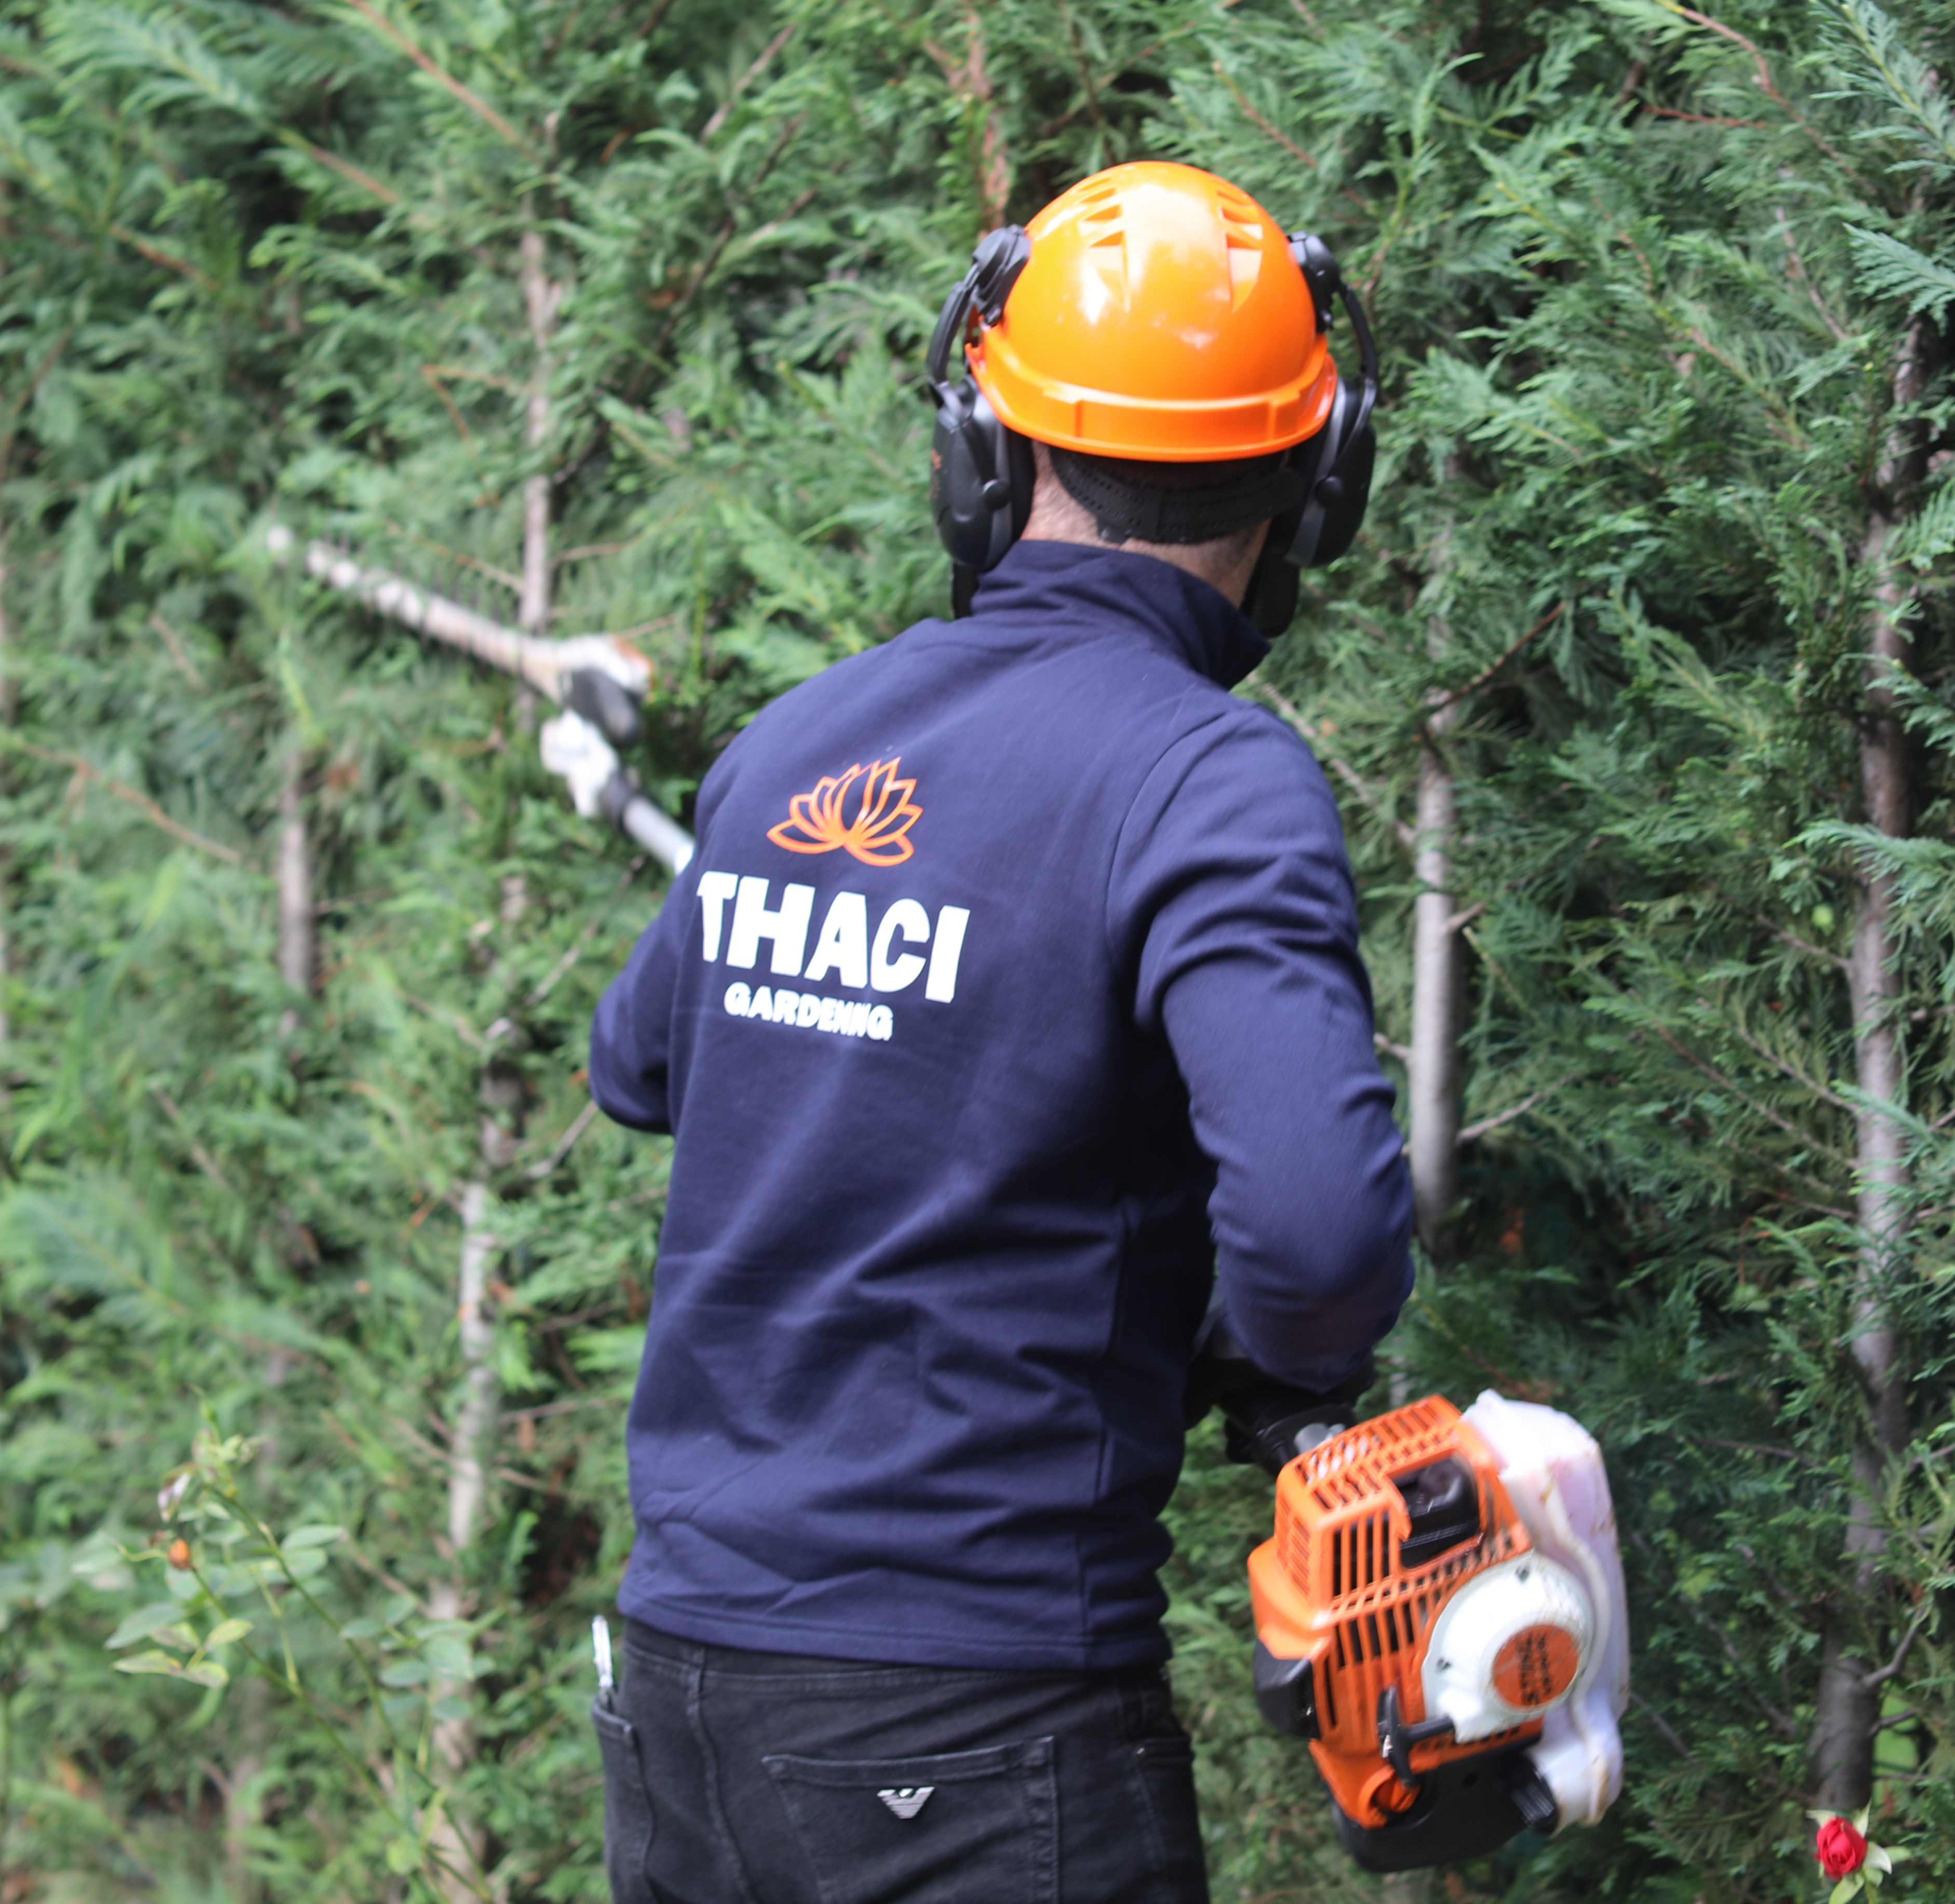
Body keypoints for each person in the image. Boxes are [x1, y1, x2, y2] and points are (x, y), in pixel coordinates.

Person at [583, 160, 1418, 1904]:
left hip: (685, 1706)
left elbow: (641, 1064)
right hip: (973, 1734)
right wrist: (1262, 1362)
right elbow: (1326, 1238)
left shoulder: (803, 738)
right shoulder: (1208, 780)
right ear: (1315, 484)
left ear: (990, 445)